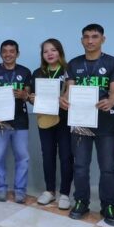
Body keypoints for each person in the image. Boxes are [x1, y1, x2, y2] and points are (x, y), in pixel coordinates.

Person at [65, 23, 114, 224]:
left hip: (105, 124)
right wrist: (63, 99)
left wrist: (112, 100)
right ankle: (81, 202)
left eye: (95, 36)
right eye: (86, 37)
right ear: (81, 40)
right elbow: (69, 90)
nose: (90, 41)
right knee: (80, 166)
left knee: (107, 167)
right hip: (80, 123)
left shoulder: (113, 62)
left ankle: (108, 205)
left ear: (102, 39)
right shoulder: (74, 63)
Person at [0, 40, 33, 203]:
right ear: (1, 54)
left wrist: (24, 95)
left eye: (12, 51)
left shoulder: (25, 72)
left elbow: (28, 95)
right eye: (5, 51)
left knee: (23, 158)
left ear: (17, 54)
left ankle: (20, 190)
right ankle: (0, 188)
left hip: (20, 122)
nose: (8, 54)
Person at [29, 38, 73, 208]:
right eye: (46, 51)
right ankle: (49, 191)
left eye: (53, 50)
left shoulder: (68, 71)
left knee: (66, 156)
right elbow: (32, 97)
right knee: (47, 155)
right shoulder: (38, 73)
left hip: (65, 120)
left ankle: (65, 193)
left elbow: (74, 93)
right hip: (46, 119)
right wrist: (32, 98)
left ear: (60, 52)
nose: (49, 54)